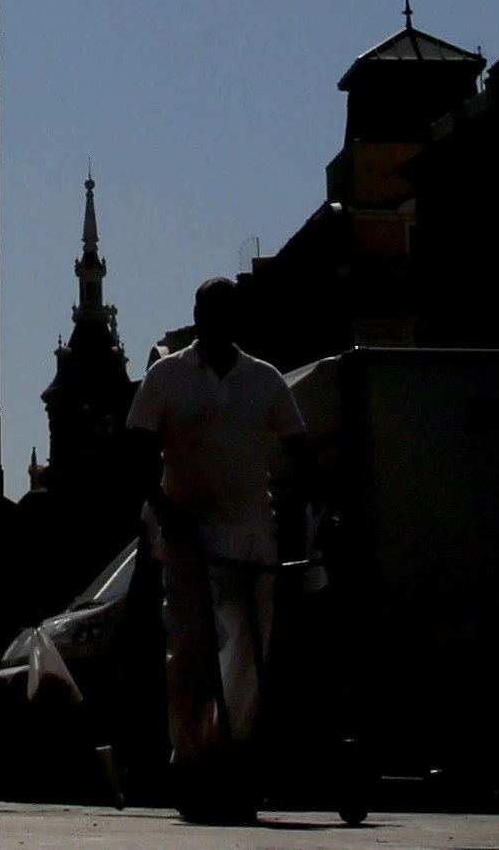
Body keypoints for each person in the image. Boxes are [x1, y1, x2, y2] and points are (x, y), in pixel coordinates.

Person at [127, 283, 305, 824]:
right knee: (191, 652)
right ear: (197, 317)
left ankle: (238, 750)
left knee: (249, 653)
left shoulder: (265, 379)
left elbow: (298, 448)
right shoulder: (167, 376)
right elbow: (137, 451)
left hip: (251, 536)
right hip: (189, 540)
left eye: (224, 314)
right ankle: (191, 758)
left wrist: (323, 505)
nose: (213, 322)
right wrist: (165, 507)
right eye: (206, 313)